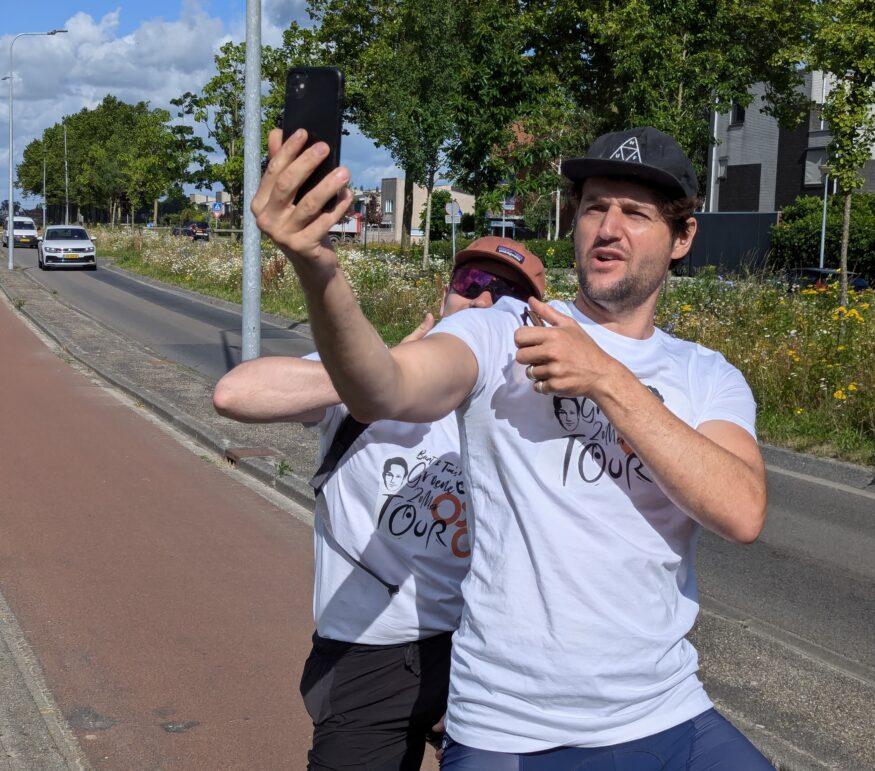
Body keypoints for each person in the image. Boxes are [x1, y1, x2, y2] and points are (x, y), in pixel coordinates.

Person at [252, 124, 771, 769]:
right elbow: (382, 387)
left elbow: (741, 511)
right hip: (513, 729)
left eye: (635, 214)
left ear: (683, 237)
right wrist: (319, 268)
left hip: (666, 710)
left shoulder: (707, 375)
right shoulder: (500, 330)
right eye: (594, 208)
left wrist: (607, 378)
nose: (608, 229)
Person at [212, 236, 546, 771]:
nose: (484, 300)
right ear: (443, 296)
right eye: (472, 284)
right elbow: (235, 393)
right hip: (370, 655)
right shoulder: (363, 375)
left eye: (507, 295)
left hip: (484, 652)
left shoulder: (533, 412)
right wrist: (371, 379)